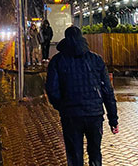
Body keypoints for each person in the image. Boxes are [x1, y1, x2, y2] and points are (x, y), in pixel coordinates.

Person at [46, 26, 118, 166]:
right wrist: (113, 119)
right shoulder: (96, 59)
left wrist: (62, 106)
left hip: (71, 115)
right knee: (95, 152)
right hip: (94, 114)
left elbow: (52, 89)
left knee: (74, 154)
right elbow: (107, 91)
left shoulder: (58, 61)